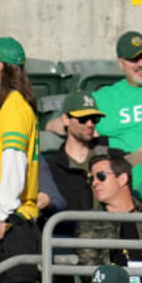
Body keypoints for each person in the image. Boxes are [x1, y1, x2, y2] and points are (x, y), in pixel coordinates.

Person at [0, 37, 41, 283]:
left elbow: (13, 164)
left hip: (10, 224)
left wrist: (0, 216)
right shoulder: (14, 105)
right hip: (10, 221)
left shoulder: (13, 106)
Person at [40, 90, 104, 221]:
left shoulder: (109, 156)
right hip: (67, 237)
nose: (90, 124)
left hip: (106, 235)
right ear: (65, 119)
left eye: (94, 119)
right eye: (83, 119)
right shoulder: (52, 167)